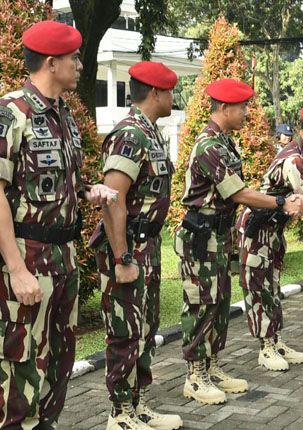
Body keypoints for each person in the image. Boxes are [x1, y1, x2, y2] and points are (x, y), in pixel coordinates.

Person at [0, 21, 119, 429]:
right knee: (22, 366)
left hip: (63, 257)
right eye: (74, 59)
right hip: (27, 256)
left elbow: (52, 181)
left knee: (59, 359)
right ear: (51, 63)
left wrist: (88, 191)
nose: (79, 65)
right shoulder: (9, 113)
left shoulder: (64, 116)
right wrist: (17, 270)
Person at [175, 78, 303, 405]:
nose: (248, 113)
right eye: (243, 107)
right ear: (224, 108)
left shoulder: (224, 142)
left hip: (218, 234)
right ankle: (195, 376)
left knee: (219, 303)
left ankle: (211, 365)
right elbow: (237, 193)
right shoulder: (210, 146)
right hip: (200, 235)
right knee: (201, 302)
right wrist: (280, 202)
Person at [89, 61, 182, 430]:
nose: (174, 97)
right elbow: (113, 200)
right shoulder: (130, 134)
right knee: (125, 330)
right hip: (129, 247)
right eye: (171, 91)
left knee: (144, 327)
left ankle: (137, 404)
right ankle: (120, 414)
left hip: (148, 245)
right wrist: (121, 257)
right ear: (156, 93)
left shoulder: (150, 133)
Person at [237, 105, 303, 372]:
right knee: (258, 286)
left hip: (272, 230)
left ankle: (276, 340)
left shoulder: (302, 154)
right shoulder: (294, 160)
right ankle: (265, 347)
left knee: (272, 286)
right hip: (257, 230)